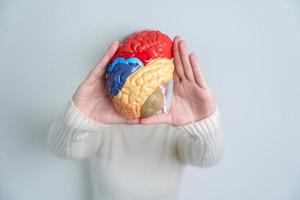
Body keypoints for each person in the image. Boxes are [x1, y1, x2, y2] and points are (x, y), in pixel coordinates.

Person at [47, 36, 224, 200]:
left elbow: (208, 160)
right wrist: (76, 119)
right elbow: (61, 150)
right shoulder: (102, 127)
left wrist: (204, 126)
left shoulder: (176, 129)